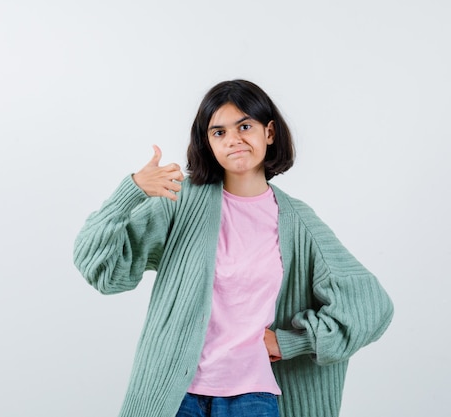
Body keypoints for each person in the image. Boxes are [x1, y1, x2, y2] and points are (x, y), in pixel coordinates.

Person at [73, 79, 393, 417]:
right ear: (208, 143)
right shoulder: (180, 202)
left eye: (244, 126)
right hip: (175, 395)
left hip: (252, 399)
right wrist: (133, 190)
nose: (233, 140)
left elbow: (371, 306)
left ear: (269, 132)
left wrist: (292, 341)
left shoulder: (298, 221)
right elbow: (101, 270)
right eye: (219, 132)